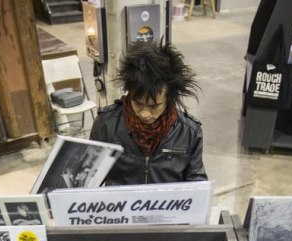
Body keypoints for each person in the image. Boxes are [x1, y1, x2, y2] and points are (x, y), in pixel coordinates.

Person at [89, 41, 208, 185]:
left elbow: (197, 184)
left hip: (167, 206)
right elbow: (89, 177)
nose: (145, 114)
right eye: (137, 103)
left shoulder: (189, 132)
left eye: (154, 106)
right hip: (120, 206)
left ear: (169, 99)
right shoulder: (106, 125)